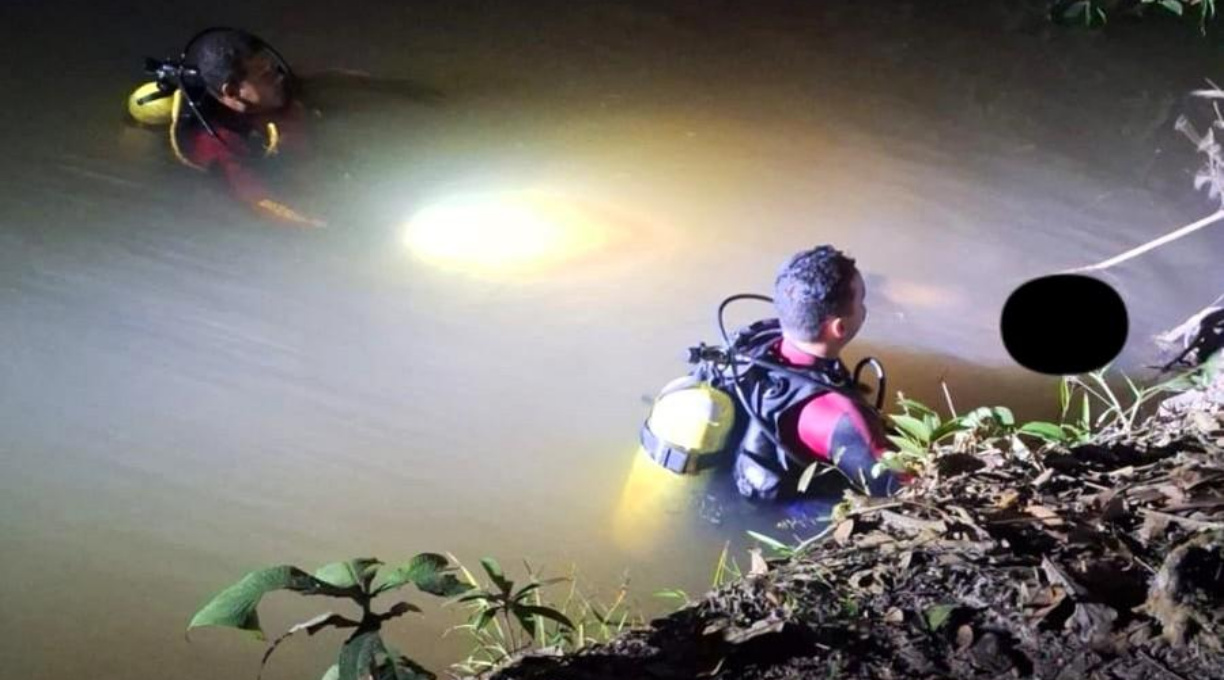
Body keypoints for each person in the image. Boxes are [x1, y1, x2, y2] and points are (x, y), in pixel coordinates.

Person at [729, 245, 903, 504]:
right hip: (782, 511)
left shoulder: (750, 342)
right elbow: (898, 488)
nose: (865, 308)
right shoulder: (840, 417)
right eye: (861, 301)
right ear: (839, 328)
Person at [166, 28, 326, 228]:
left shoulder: (277, 88)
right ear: (232, 91)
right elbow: (258, 201)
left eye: (273, 68)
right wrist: (318, 225)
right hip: (281, 175)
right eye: (265, 75)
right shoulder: (215, 143)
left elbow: (339, 85)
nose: (279, 78)